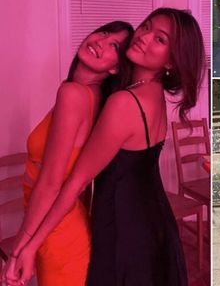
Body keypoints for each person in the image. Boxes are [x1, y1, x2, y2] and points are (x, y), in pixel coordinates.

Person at [5, 8, 206, 286]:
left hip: (126, 227)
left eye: (159, 39)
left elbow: (77, 181)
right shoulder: (149, 92)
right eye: (146, 27)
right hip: (151, 220)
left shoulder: (125, 101)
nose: (144, 37)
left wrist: (27, 246)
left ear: (171, 61)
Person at [1, 21, 133, 286]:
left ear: (115, 67)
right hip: (60, 224)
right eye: (104, 33)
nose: (100, 41)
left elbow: (50, 184)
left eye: (114, 45)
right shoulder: (91, 95)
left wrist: (18, 249)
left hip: (58, 235)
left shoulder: (73, 94)